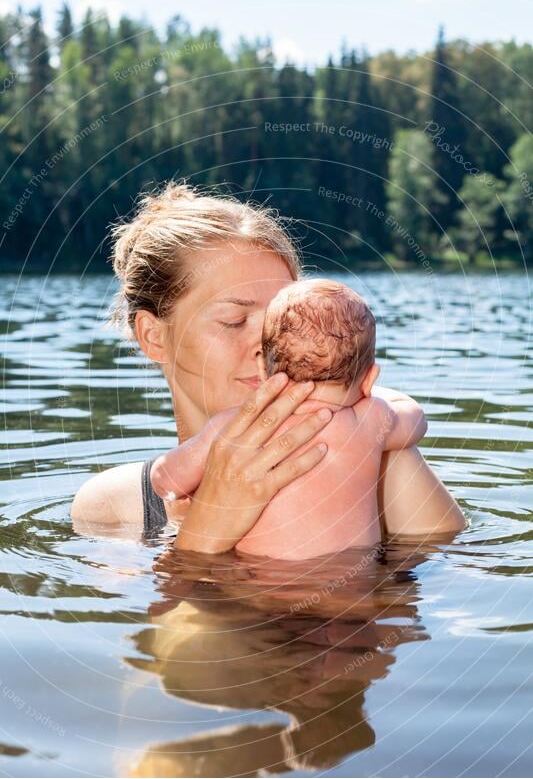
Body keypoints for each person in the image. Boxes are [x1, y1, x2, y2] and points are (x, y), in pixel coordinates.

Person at [70, 181, 466, 551]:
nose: (267, 345)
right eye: (234, 321)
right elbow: (170, 627)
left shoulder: (378, 462)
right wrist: (211, 524)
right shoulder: (115, 506)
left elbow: (448, 595)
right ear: (153, 337)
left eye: (283, 322)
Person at [149, 279, 428, 559]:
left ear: (262, 369)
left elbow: (165, 480)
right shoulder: (370, 419)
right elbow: (415, 421)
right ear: (369, 379)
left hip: (256, 584)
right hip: (353, 585)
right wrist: (370, 396)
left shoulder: (233, 428)